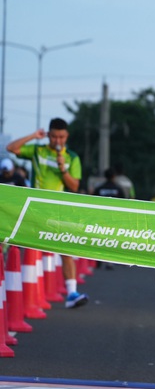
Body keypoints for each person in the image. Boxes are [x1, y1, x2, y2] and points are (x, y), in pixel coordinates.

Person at [6, 118, 89, 309]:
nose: (58, 141)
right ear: (48, 135)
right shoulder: (38, 150)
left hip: (57, 210)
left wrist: (62, 168)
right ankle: (15, 294)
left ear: (66, 136)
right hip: (34, 207)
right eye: (54, 136)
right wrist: (33, 136)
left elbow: (74, 186)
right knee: (20, 247)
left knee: (65, 250)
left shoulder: (72, 157)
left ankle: (72, 293)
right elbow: (12, 148)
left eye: (61, 137)